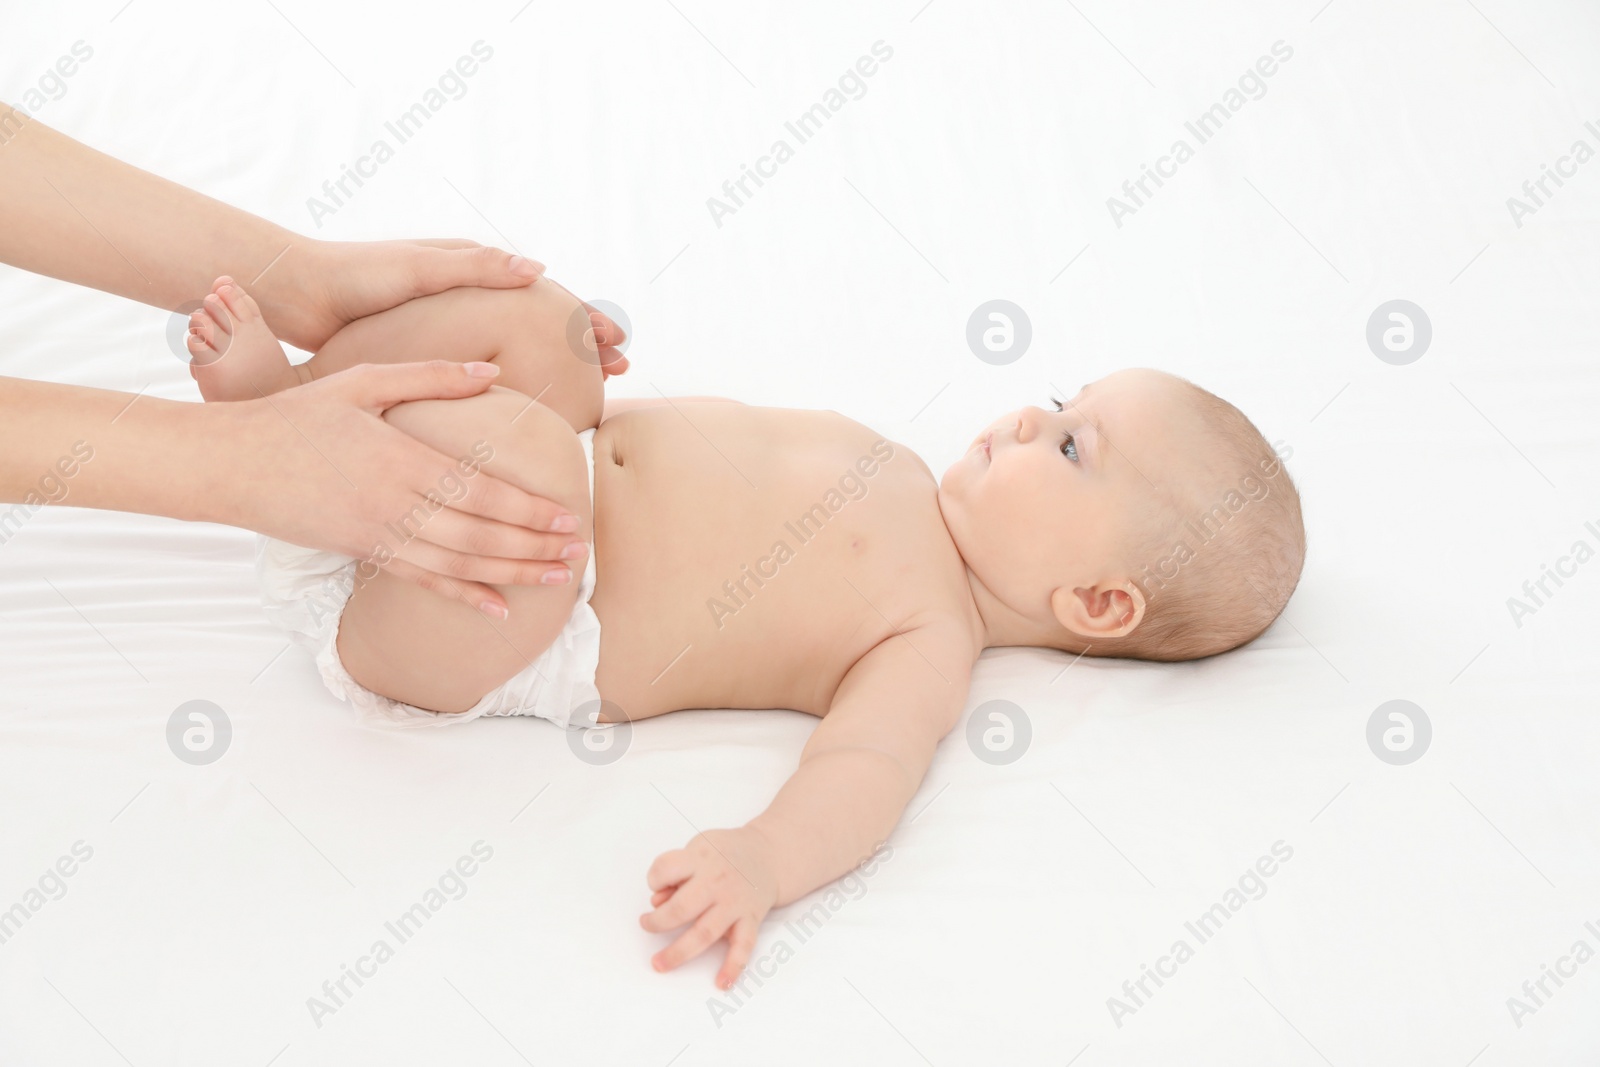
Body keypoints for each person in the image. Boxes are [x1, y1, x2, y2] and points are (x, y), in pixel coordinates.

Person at [189, 271, 1307, 990]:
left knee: (530, 472)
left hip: (476, 624)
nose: (1027, 414)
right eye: (1061, 398)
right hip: (486, 491)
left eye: (1070, 447)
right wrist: (573, 379)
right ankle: (292, 408)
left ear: (1098, 602)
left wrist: (766, 856)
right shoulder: (902, 470)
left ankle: (297, 450)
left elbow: (865, 769)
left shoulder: (926, 634)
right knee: (541, 322)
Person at [0, 103, 626, 617]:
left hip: (551, 544)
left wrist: (298, 279)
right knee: (527, 448)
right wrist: (240, 460)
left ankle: (292, 394)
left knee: (537, 319)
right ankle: (277, 418)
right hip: (511, 593)